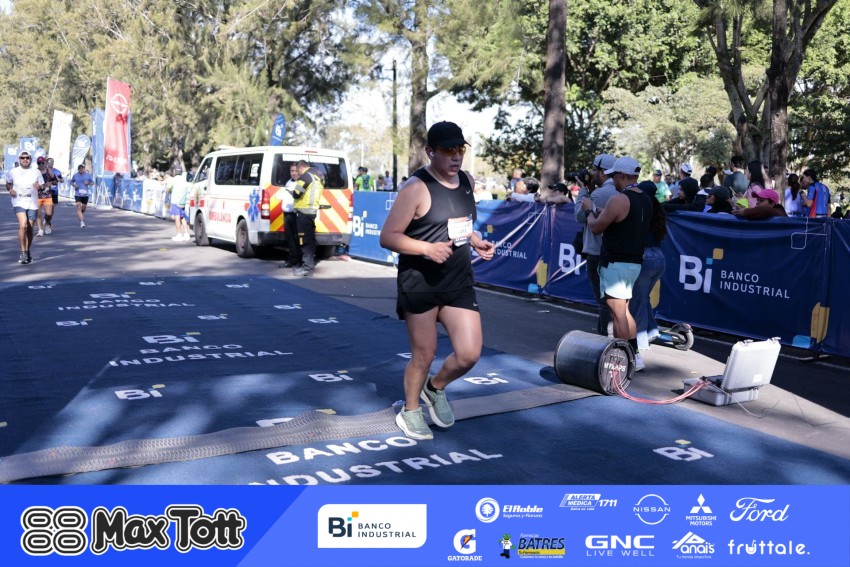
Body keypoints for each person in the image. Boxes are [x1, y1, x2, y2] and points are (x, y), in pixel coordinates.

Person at [379, 121, 495, 440]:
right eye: (448, 150)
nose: (456, 156)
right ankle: (410, 410)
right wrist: (427, 249)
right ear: (430, 152)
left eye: (460, 149)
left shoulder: (467, 180)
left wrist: (475, 241)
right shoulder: (416, 187)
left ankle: (435, 387)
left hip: (458, 281)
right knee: (424, 354)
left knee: (469, 354)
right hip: (421, 283)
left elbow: (461, 225)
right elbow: (388, 237)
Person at [582, 156, 653, 370]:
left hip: (616, 263)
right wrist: (600, 212)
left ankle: (621, 362)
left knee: (618, 315)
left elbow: (596, 228)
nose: (612, 180)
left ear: (621, 175)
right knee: (625, 311)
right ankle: (634, 357)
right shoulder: (645, 198)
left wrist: (588, 210)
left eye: (613, 176)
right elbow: (622, 219)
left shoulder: (619, 199)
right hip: (633, 262)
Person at [575, 154, 618, 336]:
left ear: (603, 172)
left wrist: (583, 191)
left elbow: (579, 216)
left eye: (594, 169)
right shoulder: (618, 191)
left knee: (604, 301)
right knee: (615, 300)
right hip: (615, 251)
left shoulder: (600, 194)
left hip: (597, 251)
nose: (591, 173)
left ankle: (606, 337)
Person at [628, 181, 668, 362]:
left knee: (637, 301)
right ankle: (651, 331)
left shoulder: (642, 209)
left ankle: (640, 341)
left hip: (645, 258)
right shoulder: (658, 209)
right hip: (659, 258)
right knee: (643, 298)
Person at [6, 150, 44, 264]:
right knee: (23, 225)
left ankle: (27, 251)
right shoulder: (13, 171)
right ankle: (23, 252)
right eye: (23, 158)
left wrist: (39, 186)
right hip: (18, 200)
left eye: (27, 158)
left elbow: (42, 185)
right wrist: (10, 190)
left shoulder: (36, 171)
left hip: (32, 201)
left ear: (30, 159)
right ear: (19, 159)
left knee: (30, 228)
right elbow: (8, 183)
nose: (25, 160)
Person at [290, 160, 325, 276]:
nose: (297, 173)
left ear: (300, 167)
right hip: (311, 211)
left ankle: (307, 268)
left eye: (297, 170)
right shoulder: (318, 175)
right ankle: (307, 266)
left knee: (305, 241)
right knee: (309, 240)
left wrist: (292, 192)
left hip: (304, 212)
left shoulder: (305, 177)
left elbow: (296, 193)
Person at [282, 163, 302, 268]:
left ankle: (298, 260)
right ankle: (292, 259)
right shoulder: (289, 182)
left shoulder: (301, 183)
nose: (293, 173)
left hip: (295, 214)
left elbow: (300, 196)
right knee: (289, 238)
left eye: (295, 171)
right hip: (287, 213)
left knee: (296, 238)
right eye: (291, 171)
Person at [35, 157, 57, 236]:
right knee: (38, 214)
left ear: (45, 163)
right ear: (37, 164)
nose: (41, 165)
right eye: (39, 163)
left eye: (42, 163)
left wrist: (50, 183)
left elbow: (55, 181)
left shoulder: (49, 171)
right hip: (37, 196)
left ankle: (47, 224)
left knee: (49, 214)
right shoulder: (35, 172)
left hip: (47, 195)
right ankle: (40, 230)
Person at [168, 170, 191, 241]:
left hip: (175, 201)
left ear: (174, 171)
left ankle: (179, 234)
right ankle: (186, 234)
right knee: (182, 217)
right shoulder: (184, 179)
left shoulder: (173, 179)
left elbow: (167, 188)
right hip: (182, 202)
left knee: (177, 218)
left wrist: (170, 190)